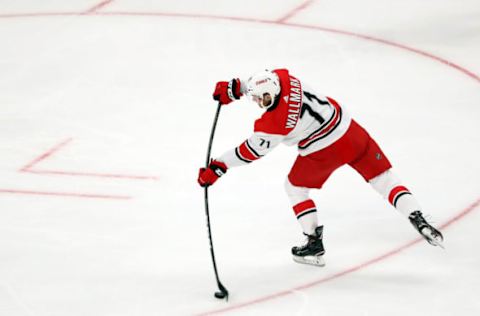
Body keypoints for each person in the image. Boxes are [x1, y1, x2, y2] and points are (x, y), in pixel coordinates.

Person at [197, 69, 443, 266]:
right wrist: (236, 88)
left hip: (324, 149)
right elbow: (259, 80)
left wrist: (219, 166)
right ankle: (417, 216)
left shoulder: (274, 122)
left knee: (294, 188)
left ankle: (314, 242)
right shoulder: (283, 77)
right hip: (350, 130)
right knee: (383, 178)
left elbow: (250, 152)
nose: (259, 103)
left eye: (262, 99)